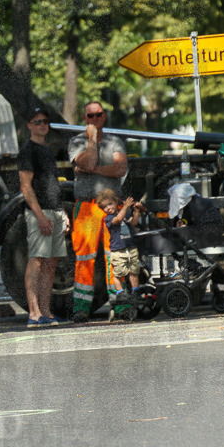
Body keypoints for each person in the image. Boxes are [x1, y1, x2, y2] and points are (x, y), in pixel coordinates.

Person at [67, 101, 128, 322]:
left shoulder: (114, 141)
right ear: (85, 119)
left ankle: (120, 306)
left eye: (98, 115)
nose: (94, 119)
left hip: (112, 207)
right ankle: (81, 308)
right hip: (86, 207)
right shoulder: (76, 141)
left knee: (116, 257)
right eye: (90, 116)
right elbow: (86, 158)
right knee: (84, 258)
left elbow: (120, 168)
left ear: (104, 117)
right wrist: (92, 140)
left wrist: (92, 169)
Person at [18, 109, 69, 328]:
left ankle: (46, 311)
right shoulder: (28, 151)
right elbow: (26, 186)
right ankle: (34, 312)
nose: (42, 125)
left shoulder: (46, 150)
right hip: (39, 212)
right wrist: (39, 215)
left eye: (45, 122)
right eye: (37, 122)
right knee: (37, 259)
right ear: (29, 125)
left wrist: (62, 213)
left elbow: (52, 184)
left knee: (51, 261)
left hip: (54, 210)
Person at [97, 188, 143, 294]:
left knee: (134, 271)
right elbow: (118, 219)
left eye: (110, 204)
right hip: (118, 250)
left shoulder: (125, 214)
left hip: (130, 247)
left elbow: (134, 222)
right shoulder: (109, 218)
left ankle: (135, 290)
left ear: (116, 202)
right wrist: (126, 206)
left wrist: (136, 211)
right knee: (118, 273)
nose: (108, 208)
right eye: (105, 207)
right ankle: (120, 292)